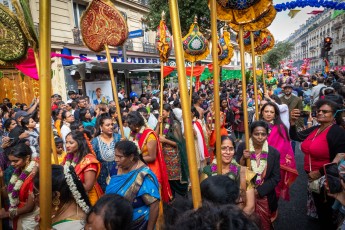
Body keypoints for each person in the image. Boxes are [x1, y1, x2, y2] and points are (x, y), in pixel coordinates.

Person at [290, 99, 345, 229]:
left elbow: (340, 157)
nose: (320, 113)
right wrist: (292, 123)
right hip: (312, 177)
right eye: (319, 111)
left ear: (334, 115)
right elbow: (296, 137)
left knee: (327, 214)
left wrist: (319, 172)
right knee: (321, 212)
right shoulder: (316, 128)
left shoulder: (337, 132)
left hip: (326, 180)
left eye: (325, 112)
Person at [105, 140, 160, 230]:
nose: (116, 159)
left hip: (137, 223)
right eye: (115, 156)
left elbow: (154, 206)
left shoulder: (143, 175)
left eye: (120, 157)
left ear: (131, 157)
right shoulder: (115, 168)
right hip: (115, 221)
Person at [237, 121, 280, 230]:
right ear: (251, 134)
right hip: (244, 195)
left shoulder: (274, 153)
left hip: (264, 196)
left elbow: (276, 178)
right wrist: (243, 158)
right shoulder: (243, 146)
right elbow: (234, 170)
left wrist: (258, 191)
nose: (260, 137)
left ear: (267, 135)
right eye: (256, 134)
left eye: (263, 134)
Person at [202, 136, 256, 216]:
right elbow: (201, 203)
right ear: (216, 151)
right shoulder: (207, 172)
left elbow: (250, 207)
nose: (228, 152)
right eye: (223, 148)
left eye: (231, 149)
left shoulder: (244, 172)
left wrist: (234, 222)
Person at [127, 111, 172, 202]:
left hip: (151, 170)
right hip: (137, 168)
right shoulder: (133, 134)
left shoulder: (150, 135)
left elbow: (152, 157)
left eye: (129, 124)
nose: (128, 126)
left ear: (136, 124)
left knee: (152, 200)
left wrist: (134, 160)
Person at [260, 102, 298, 201]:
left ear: (275, 114)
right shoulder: (257, 126)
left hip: (274, 165)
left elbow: (284, 148)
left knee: (272, 194)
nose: (268, 114)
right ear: (262, 113)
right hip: (257, 162)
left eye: (271, 112)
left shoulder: (280, 128)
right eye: (266, 111)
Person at [34, 165, 90, 229]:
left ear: (56, 195)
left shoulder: (76, 225)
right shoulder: (62, 210)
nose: (34, 199)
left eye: (36, 193)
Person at [0, 143, 39, 230]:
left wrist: (6, 214)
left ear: (28, 158)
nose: (12, 164)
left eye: (16, 161)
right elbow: (7, 194)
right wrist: (1, 178)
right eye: (11, 161)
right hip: (18, 213)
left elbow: (29, 207)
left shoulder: (34, 174)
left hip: (30, 217)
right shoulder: (18, 171)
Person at [156, 104, 189, 197]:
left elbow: (179, 144)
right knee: (167, 180)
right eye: (159, 111)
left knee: (175, 180)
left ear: (168, 112)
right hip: (164, 157)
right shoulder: (161, 123)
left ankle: (182, 199)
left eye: (162, 111)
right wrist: (158, 124)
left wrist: (165, 140)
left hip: (174, 158)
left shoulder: (175, 124)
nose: (160, 113)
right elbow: (155, 136)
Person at [63, 130, 103, 205]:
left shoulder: (89, 161)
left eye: (71, 143)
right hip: (72, 197)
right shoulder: (68, 157)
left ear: (80, 143)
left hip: (88, 198)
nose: (67, 145)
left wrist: (66, 185)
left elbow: (88, 187)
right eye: (66, 142)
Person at [92, 116, 121, 192]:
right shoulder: (95, 142)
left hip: (119, 175)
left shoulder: (119, 138)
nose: (111, 127)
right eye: (108, 125)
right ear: (101, 127)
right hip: (102, 179)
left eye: (112, 124)